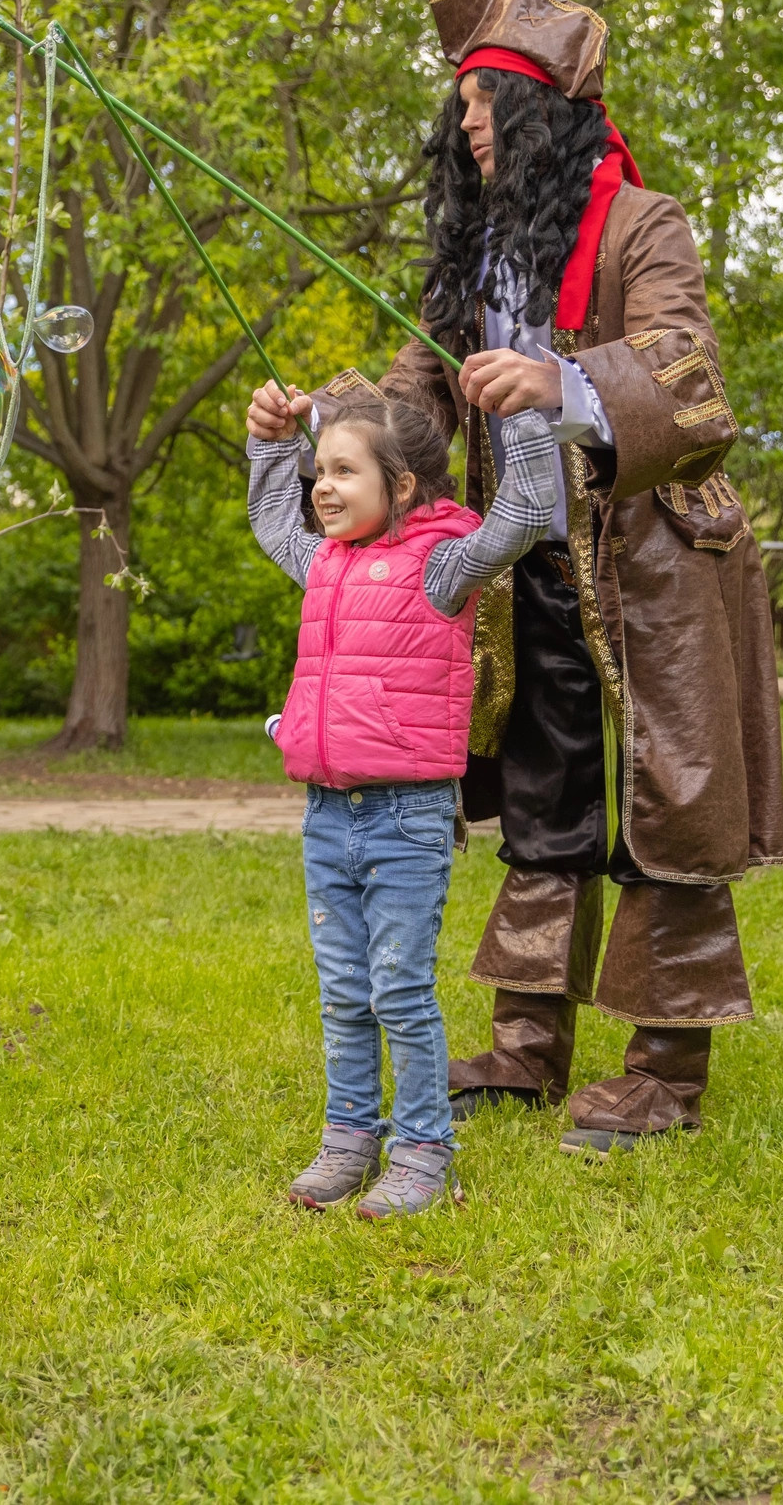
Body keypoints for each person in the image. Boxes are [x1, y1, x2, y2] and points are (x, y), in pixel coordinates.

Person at [376, 0, 783, 1155]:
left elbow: (688, 370)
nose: (465, 123)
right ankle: (526, 1048)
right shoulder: (472, 256)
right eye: (461, 105)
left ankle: (662, 1072)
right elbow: (413, 395)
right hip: (527, 566)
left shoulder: (645, 225)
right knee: (543, 802)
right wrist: (325, 431)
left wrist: (562, 380)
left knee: (669, 810)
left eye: (484, 102)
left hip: (654, 565)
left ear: (538, 112)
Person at [246, 374, 557, 1216]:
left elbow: (527, 513)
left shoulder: (442, 567)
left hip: (408, 818)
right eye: (319, 470)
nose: (322, 487)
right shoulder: (323, 563)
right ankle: (349, 1138)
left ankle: (423, 1152)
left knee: (399, 990)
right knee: (344, 992)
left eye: (344, 471)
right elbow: (271, 519)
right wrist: (269, 442)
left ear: (404, 485)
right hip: (327, 815)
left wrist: (522, 416)